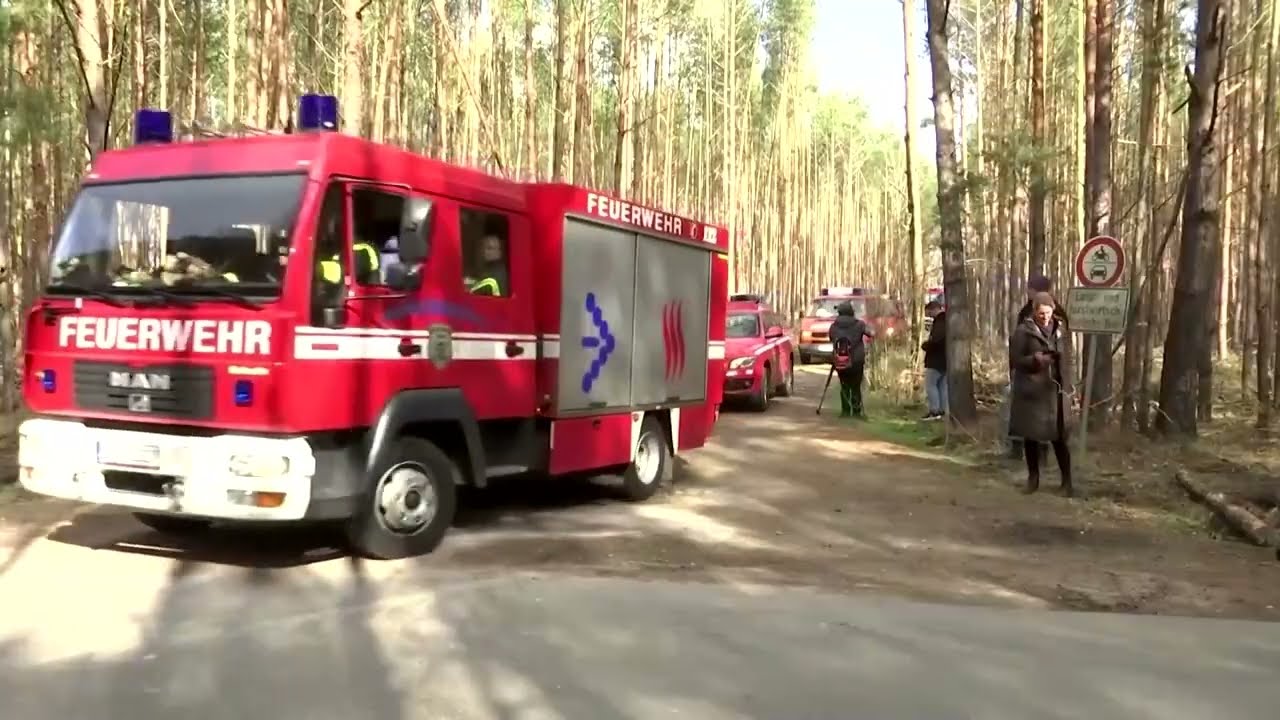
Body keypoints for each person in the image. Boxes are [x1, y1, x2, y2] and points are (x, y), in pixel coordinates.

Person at [1009, 291, 1074, 496]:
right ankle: (1033, 479)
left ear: (1053, 310)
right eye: (1040, 313)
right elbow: (1015, 360)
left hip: (1056, 390)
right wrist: (1036, 360)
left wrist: (1070, 386)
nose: (1044, 317)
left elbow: (1068, 359)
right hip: (1032, 392)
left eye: (1047, 312)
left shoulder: (1061, 331)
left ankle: (1067, 482)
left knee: (1059, 438)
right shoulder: (1023, 331)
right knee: (1032, 438)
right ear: (1034, 312)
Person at [828, 300, 874, 418]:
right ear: (851, 312)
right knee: (855, 385)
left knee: (844, 385)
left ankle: (846, 411)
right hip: (856, 360)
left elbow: (831, 339)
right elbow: (871, 333)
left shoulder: (833, 326)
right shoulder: (859, 325)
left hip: (840, 361)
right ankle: (857, 411)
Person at [920, 300, 947, 420]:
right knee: (942, 385)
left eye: (929, 313)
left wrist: (926, 346)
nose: (929, 316)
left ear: (933, 309)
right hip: (945, 360)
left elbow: (937, 341)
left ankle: (934, 410)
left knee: (931, 385)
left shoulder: (941, 322)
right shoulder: (946, 320)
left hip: (936, 359)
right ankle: (942, 410)